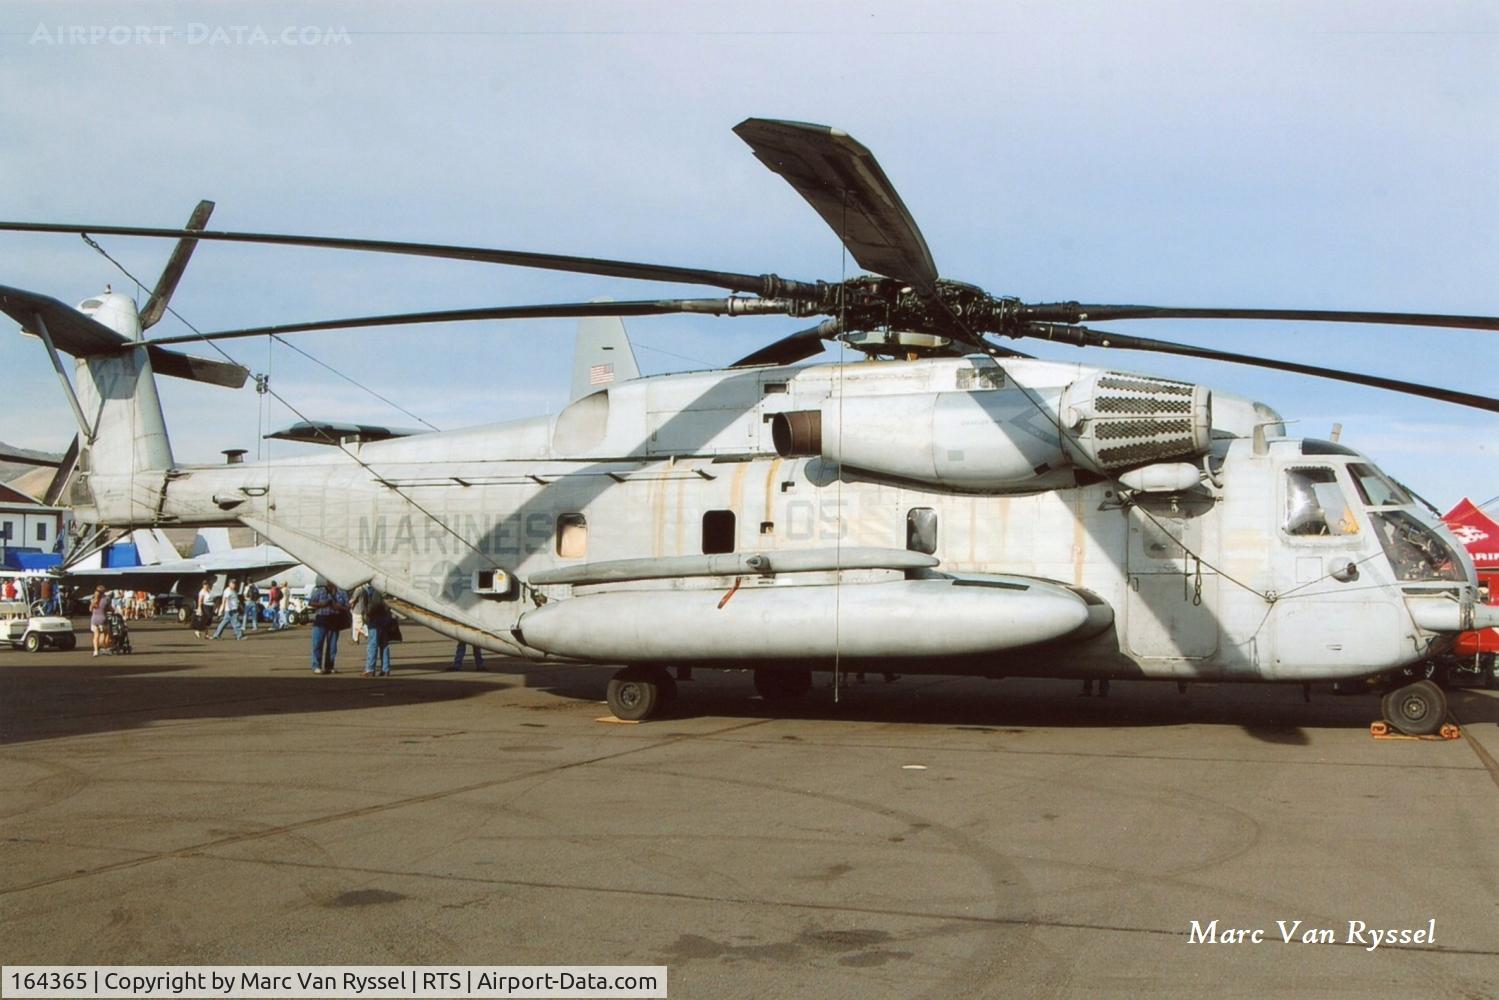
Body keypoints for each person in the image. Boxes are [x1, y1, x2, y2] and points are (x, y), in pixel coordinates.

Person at [309, 579, 346, 673]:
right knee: (317, 644)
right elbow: (311, 602)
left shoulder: (341, 592)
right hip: (321, 620)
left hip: (334, 620)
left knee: (332, 646)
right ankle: (316, 666)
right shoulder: (320, 591)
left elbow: (347, 606)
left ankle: (329, 666)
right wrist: (321, 604)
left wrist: (336, 606)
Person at [360, 583, 394, 677]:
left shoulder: (370, 590)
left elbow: (370, 606)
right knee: (384, 645)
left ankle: (370, 669)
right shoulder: (384, 589)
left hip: (374, 620)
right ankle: (386, 669)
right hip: (384, 619)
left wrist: (366, 614)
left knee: (373, 645)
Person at [88, 585, 112, 657]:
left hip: (94, 619)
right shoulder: (106, 599)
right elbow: (110, 609)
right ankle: (105, 647)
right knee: (107, 633)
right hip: (103, 619)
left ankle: (95, 651)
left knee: (96, 636)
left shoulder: (93, 599)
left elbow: (90, 609)